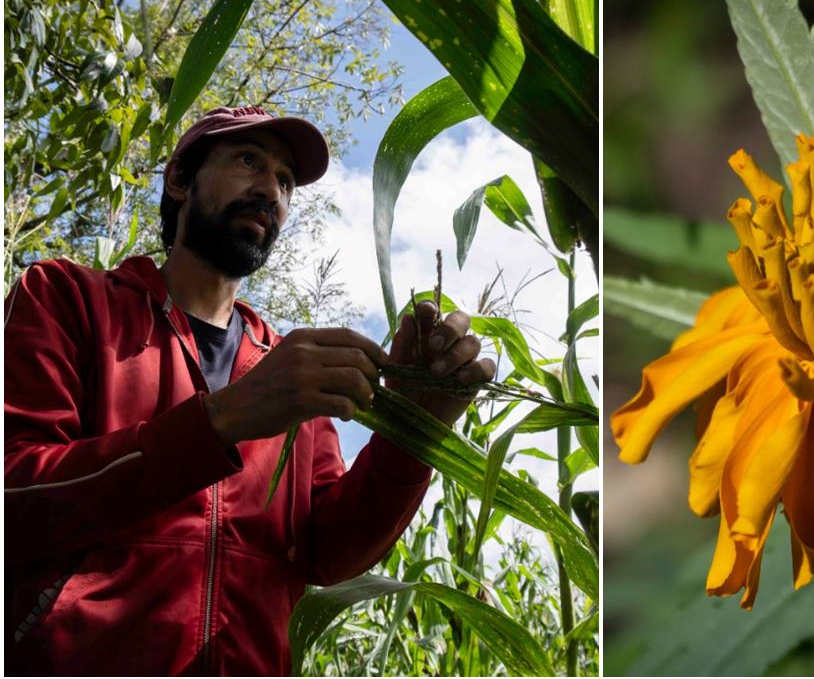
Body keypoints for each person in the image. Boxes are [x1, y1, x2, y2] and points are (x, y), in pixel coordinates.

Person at [3, 106, 496, 675]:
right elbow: (15, 497)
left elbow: (327, 552)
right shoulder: (67, 299)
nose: (271, 191)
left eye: (286, 181)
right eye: (248, 161)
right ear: (180, 180)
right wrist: (224, 419)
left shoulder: (289, 366)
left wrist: (417, 431)